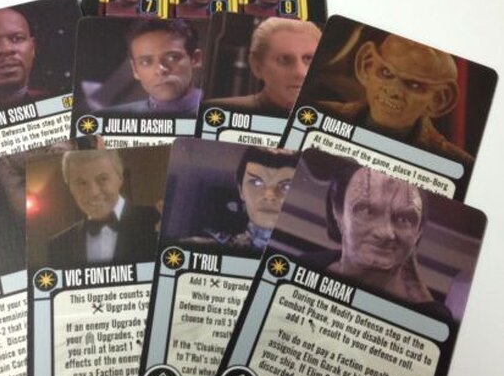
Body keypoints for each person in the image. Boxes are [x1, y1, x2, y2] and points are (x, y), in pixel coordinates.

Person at [303, 161, 451, 318]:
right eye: (366, 211)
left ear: (419, 231)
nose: (386, 233)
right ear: (338, 213)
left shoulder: (428, 318)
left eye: (403, 219)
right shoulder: (308, 265)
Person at [319, 34, 472, 164]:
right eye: (386, 73)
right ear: (366, 66)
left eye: (414, 85)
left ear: (439, 100)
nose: (393, 91)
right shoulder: (319, 114)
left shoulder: (456, 163)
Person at [48, 149, 159, 267]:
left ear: (120, 177)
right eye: (81, 183)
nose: (93, 193)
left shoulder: (159, 220)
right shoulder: (58, 245)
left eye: (103, 179)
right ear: (70, 188)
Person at [185, 147, 299, 254]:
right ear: (241, 190)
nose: (270, 195)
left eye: (287, 186)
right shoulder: (198, 249)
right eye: (256, 182)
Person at [206, 18, 321, 118]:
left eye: (309, 59)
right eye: (284, 59)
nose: (301, 73)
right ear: (257, 66)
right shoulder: (218, 112)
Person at [105, 19, 203, 117]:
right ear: (135, 70)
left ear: (195, 59)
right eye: (146, 62)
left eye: (172, 58)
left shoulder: (210, 111)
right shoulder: (113, 117)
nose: (160, 70)